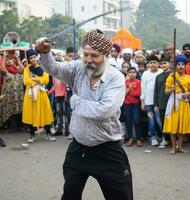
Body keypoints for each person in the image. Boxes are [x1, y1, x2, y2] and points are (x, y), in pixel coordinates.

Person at [35, 29, 133, 200]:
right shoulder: (77, 69)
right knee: (70, 195)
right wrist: (44, 52)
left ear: (106, 54)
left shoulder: (115, 78)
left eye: (94, 55)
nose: (88, 60)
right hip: (78, 149)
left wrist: (75, 101)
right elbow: (54, 69)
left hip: (107, 151)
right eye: (85, 54)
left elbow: (104, 110)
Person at [22, 49, 56, 143]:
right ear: (28, 59)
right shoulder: (27, 69)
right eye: (31, 58)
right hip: (31, 94)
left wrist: (36, 79)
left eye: (34, 57)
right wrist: (35, 81)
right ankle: (32, 135)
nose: (33, 59)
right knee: (32, 114)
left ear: (36, 57)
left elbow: (46, 80)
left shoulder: (42, 67)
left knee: (45, 113)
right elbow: (26, 81)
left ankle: (48, 134)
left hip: (41, 93)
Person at [163, 55, 190, 154]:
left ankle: (180, 147)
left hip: (184, 103)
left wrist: (188, 94)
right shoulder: (172, 77)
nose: (180, 66)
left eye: (182, 64)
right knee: (173, 125)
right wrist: (172, 89)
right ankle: (173, 147)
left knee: (181, 126)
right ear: (175, 66)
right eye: (178, 64)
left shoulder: (188, 77)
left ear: (185, 66)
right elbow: (166, 92)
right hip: (174, 103)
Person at [141, 54, 163, 146]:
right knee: (151, 120)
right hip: (149, 101)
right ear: (148, 64)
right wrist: (143, 101)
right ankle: (153, 137)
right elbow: (143, 88)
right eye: (151, 63)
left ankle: (164, 137)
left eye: (155, 62)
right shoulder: (145, 74)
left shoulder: (161, 72)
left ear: (159, 64)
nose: (153, 64)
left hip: (159, 102)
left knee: (159, 120)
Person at [154, 56, 171, 148]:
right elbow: (155, 91)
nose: (163, 65)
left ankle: (173, 140)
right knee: (163, 122)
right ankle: (166, 139)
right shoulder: (158, 77)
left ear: (170, 63)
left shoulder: (173, 74)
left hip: (171, 102)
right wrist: (155, 104)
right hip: (161, 103)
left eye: (165, 63)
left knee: (171, 122)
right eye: (162, 63)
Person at [124, 67, 143, 147]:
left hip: (135, 103)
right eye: (130, 72)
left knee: (136, 120)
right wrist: (130, 88)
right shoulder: (125, 82)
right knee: (128, 121)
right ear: (128, 73)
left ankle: (138, 139)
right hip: (127, 103)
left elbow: (138, 94)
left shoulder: (139, 82)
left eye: (134, 72)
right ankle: (130, 138)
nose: (132, 73)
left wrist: (129, 91)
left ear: (136, 73)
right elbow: (124, 94)